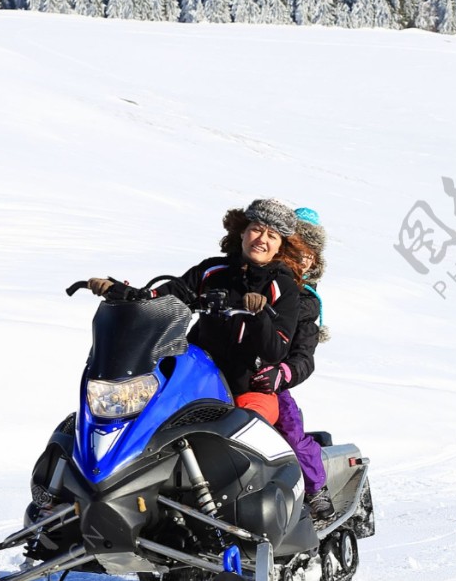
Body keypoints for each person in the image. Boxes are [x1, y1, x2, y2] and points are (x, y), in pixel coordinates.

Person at [85, 199, 302, 426]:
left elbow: (276, 350)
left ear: (280, 247)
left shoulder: (284, 288)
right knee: (148, 416)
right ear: (242, 233)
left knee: (249, 428)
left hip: (248, 386)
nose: (261, 239)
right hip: (197, 375)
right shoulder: (212, 271)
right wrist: (120, 291)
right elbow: (164, 296)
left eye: (272, 236)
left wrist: (259, 316)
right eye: (256, 229)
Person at [251, 207, 332, 520]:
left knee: (289, 425)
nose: (302, 259)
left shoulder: (305, 301)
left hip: (272, 380)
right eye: (296, 250)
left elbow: (303, 354)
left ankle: (315, 489)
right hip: (232, 370)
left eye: (309, 254)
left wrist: (281, 373)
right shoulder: (258, 280)